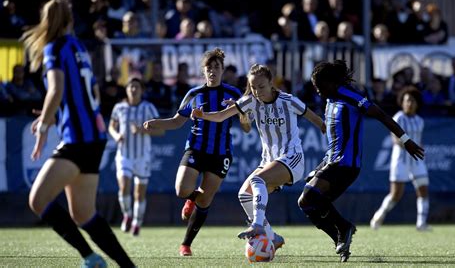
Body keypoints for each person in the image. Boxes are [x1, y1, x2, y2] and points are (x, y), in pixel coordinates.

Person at [23, 0, 135, 268]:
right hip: (94, 136)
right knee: (84, 213)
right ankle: (126, 266)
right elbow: (90, 92)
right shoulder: (78, 47)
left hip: (78, 137)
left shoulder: (54, 48)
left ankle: (91, 258)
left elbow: (56, 89)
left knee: (38, 200)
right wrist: (57, 112)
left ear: (46, 20)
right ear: (69, 20)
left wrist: (45, 125)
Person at [297, 60, 424, 262]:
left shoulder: (350, 96)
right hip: (330, 160)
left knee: (311, 194)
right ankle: (340, 240)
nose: (318, 92)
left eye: (320, 87)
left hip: (346, 163)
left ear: (331, 83)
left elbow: (381, 114)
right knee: (306, 203)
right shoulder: (330, 100)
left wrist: (406, 140)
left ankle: (345, 227)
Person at [191, 64, 326, 251]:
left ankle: (258, 225)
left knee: (256, 179)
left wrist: (331, 132)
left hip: (292, 157)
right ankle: (273, 237)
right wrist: (203, 115)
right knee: (244, 194)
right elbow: (224, 117)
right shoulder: (249, 101)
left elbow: (316, 119)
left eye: (261, 86)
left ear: (271, 83)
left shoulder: (288, 100)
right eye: (253, 87)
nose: (256, 91)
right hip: (269, 160)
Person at [143, 48, 249, 256]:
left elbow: (247, 127)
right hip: (196, 149)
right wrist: (156, 123)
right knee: (181, 190)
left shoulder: (234, 94)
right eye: (209, 68)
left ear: (222, 70)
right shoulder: (194, 94)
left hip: (220, 154)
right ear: (203, 71)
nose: (212, 71)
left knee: (205, 199)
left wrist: (240, 111)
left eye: (216, 67)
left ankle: (186, 244)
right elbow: (176, 122)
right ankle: (189, 198)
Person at [108, 77, 164, 237]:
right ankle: (127, 214)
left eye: (137, 87)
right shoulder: (119, 107)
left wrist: (142, 130)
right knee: (124, 186)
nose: (133, 89)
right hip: (124, 155)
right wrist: (116, 135)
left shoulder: (148, 108)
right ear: (126, 89)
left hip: (142, 157)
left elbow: (161, 130)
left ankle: (137, 222)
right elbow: (111, 126)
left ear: (142, 90)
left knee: (139, 193)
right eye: (131, 86)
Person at [370, 86, 430, 231]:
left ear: (417, 103)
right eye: (407, 100)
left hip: (417, 161)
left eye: (413, 101)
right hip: (400, 160)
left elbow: (418, 140)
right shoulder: (398, 118)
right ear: (402, 102)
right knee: (396, 194)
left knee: (423, 191)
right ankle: (378, 216)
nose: (410, 103)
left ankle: (421, 223)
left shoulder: (419, 121)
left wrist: (420, 148)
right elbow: (396, 139)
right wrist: (410, 147)